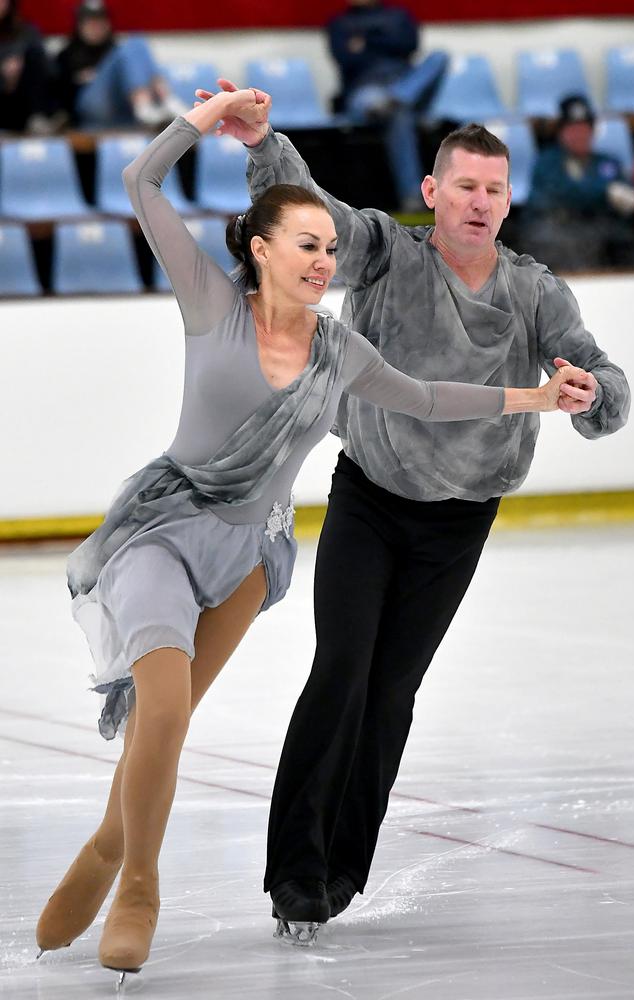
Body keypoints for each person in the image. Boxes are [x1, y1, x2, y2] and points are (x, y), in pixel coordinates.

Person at [33, 87, 578, 978]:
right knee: (163, 712)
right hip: (163, 536)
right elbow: (140, 180)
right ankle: (136, 882)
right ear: (260, 248)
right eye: (308, 244)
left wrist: (537, 399)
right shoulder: (209, 300)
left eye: (330, 248)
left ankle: (102, 846)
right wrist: (206, 122)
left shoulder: (339, 349)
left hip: (248, 559)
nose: (326, 261)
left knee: (166, 731)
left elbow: (431, 400)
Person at [198, 78, 631, 939]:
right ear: (433, 193)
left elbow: (604, 382)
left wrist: (589, 395)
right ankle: (295, 874)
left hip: (459, 523)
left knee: (392, 693)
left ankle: (342, 873)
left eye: (494, 188)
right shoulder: (390, 253)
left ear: (511, 201)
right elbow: (309, 213)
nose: (479, 201)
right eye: (463, 185)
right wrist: (261, 146)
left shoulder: (535, 293)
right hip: (369, 501)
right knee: (342, 673)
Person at [327, 0, 446, 212]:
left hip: (404, 82)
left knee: (439, 57)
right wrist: (385, 37)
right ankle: (411, 197)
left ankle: (397, 98)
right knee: (396, 114)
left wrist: (366, 40)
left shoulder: (399, 15)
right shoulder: (339, 23)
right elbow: (346, 58)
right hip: (365, 90)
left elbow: (408, 44)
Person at [524, 94, 634, 271]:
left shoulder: (608, 163)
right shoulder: (546, 163)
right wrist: (604, 191)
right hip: (562, 238)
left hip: (604, 237)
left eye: (584, 129)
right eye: (573, 129)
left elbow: (629, 198)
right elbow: (559, 195)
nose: (579, 135)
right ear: (561, 132)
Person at [56, 0, 185, 128]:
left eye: (100, 21)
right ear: (79, 26)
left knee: (136, 40)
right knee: (132, 45)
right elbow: (60, 96)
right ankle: (147, 105)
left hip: (121, 107)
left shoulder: (117, 50)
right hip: (89, 110)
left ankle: (165, 100)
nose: (96, 27)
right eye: (90, 22)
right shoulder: (67, 54)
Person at [0, 0, 63, 133]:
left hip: (23, 103)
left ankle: (39, 118)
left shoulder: (27, 31)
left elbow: (51, 71)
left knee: (34, 55)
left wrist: (20, 67)